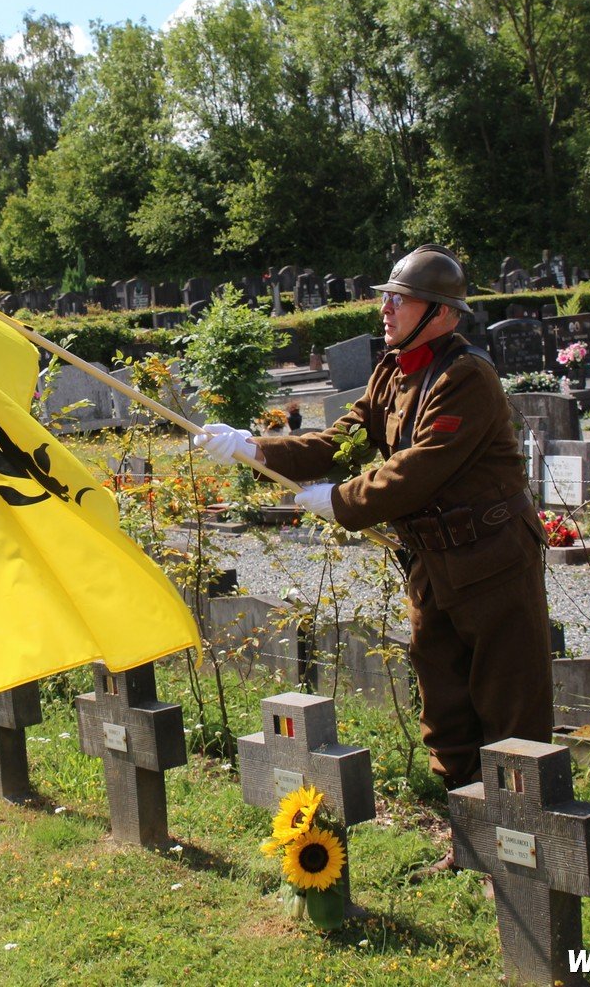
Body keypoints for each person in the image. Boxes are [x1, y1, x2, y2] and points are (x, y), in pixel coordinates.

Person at [194, 245, 552, 858]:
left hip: (491, 560)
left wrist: (341, 499)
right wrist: (253, 449)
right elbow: (336, 443)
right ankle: (472, 842)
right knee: (446, 706)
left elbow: (422, 469)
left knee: (509, 706)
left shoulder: (465, 377)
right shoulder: (393, 371)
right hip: (431, 564)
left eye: (398, 299)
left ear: (438, 312)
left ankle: (525, 846)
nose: (384, 308)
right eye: (385, 297)